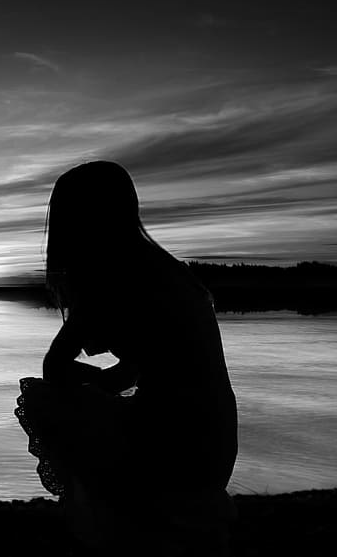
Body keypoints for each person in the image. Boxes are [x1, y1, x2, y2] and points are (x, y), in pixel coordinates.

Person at [14, 161, 238, 556]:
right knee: (89, 404)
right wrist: (102, 389)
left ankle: (115, 522)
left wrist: (90, 391)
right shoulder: (165, 271)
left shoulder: (113, 279)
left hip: (179, 440)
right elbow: (139, 369)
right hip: (215, 436)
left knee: (44, 398)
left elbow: (55, 366)